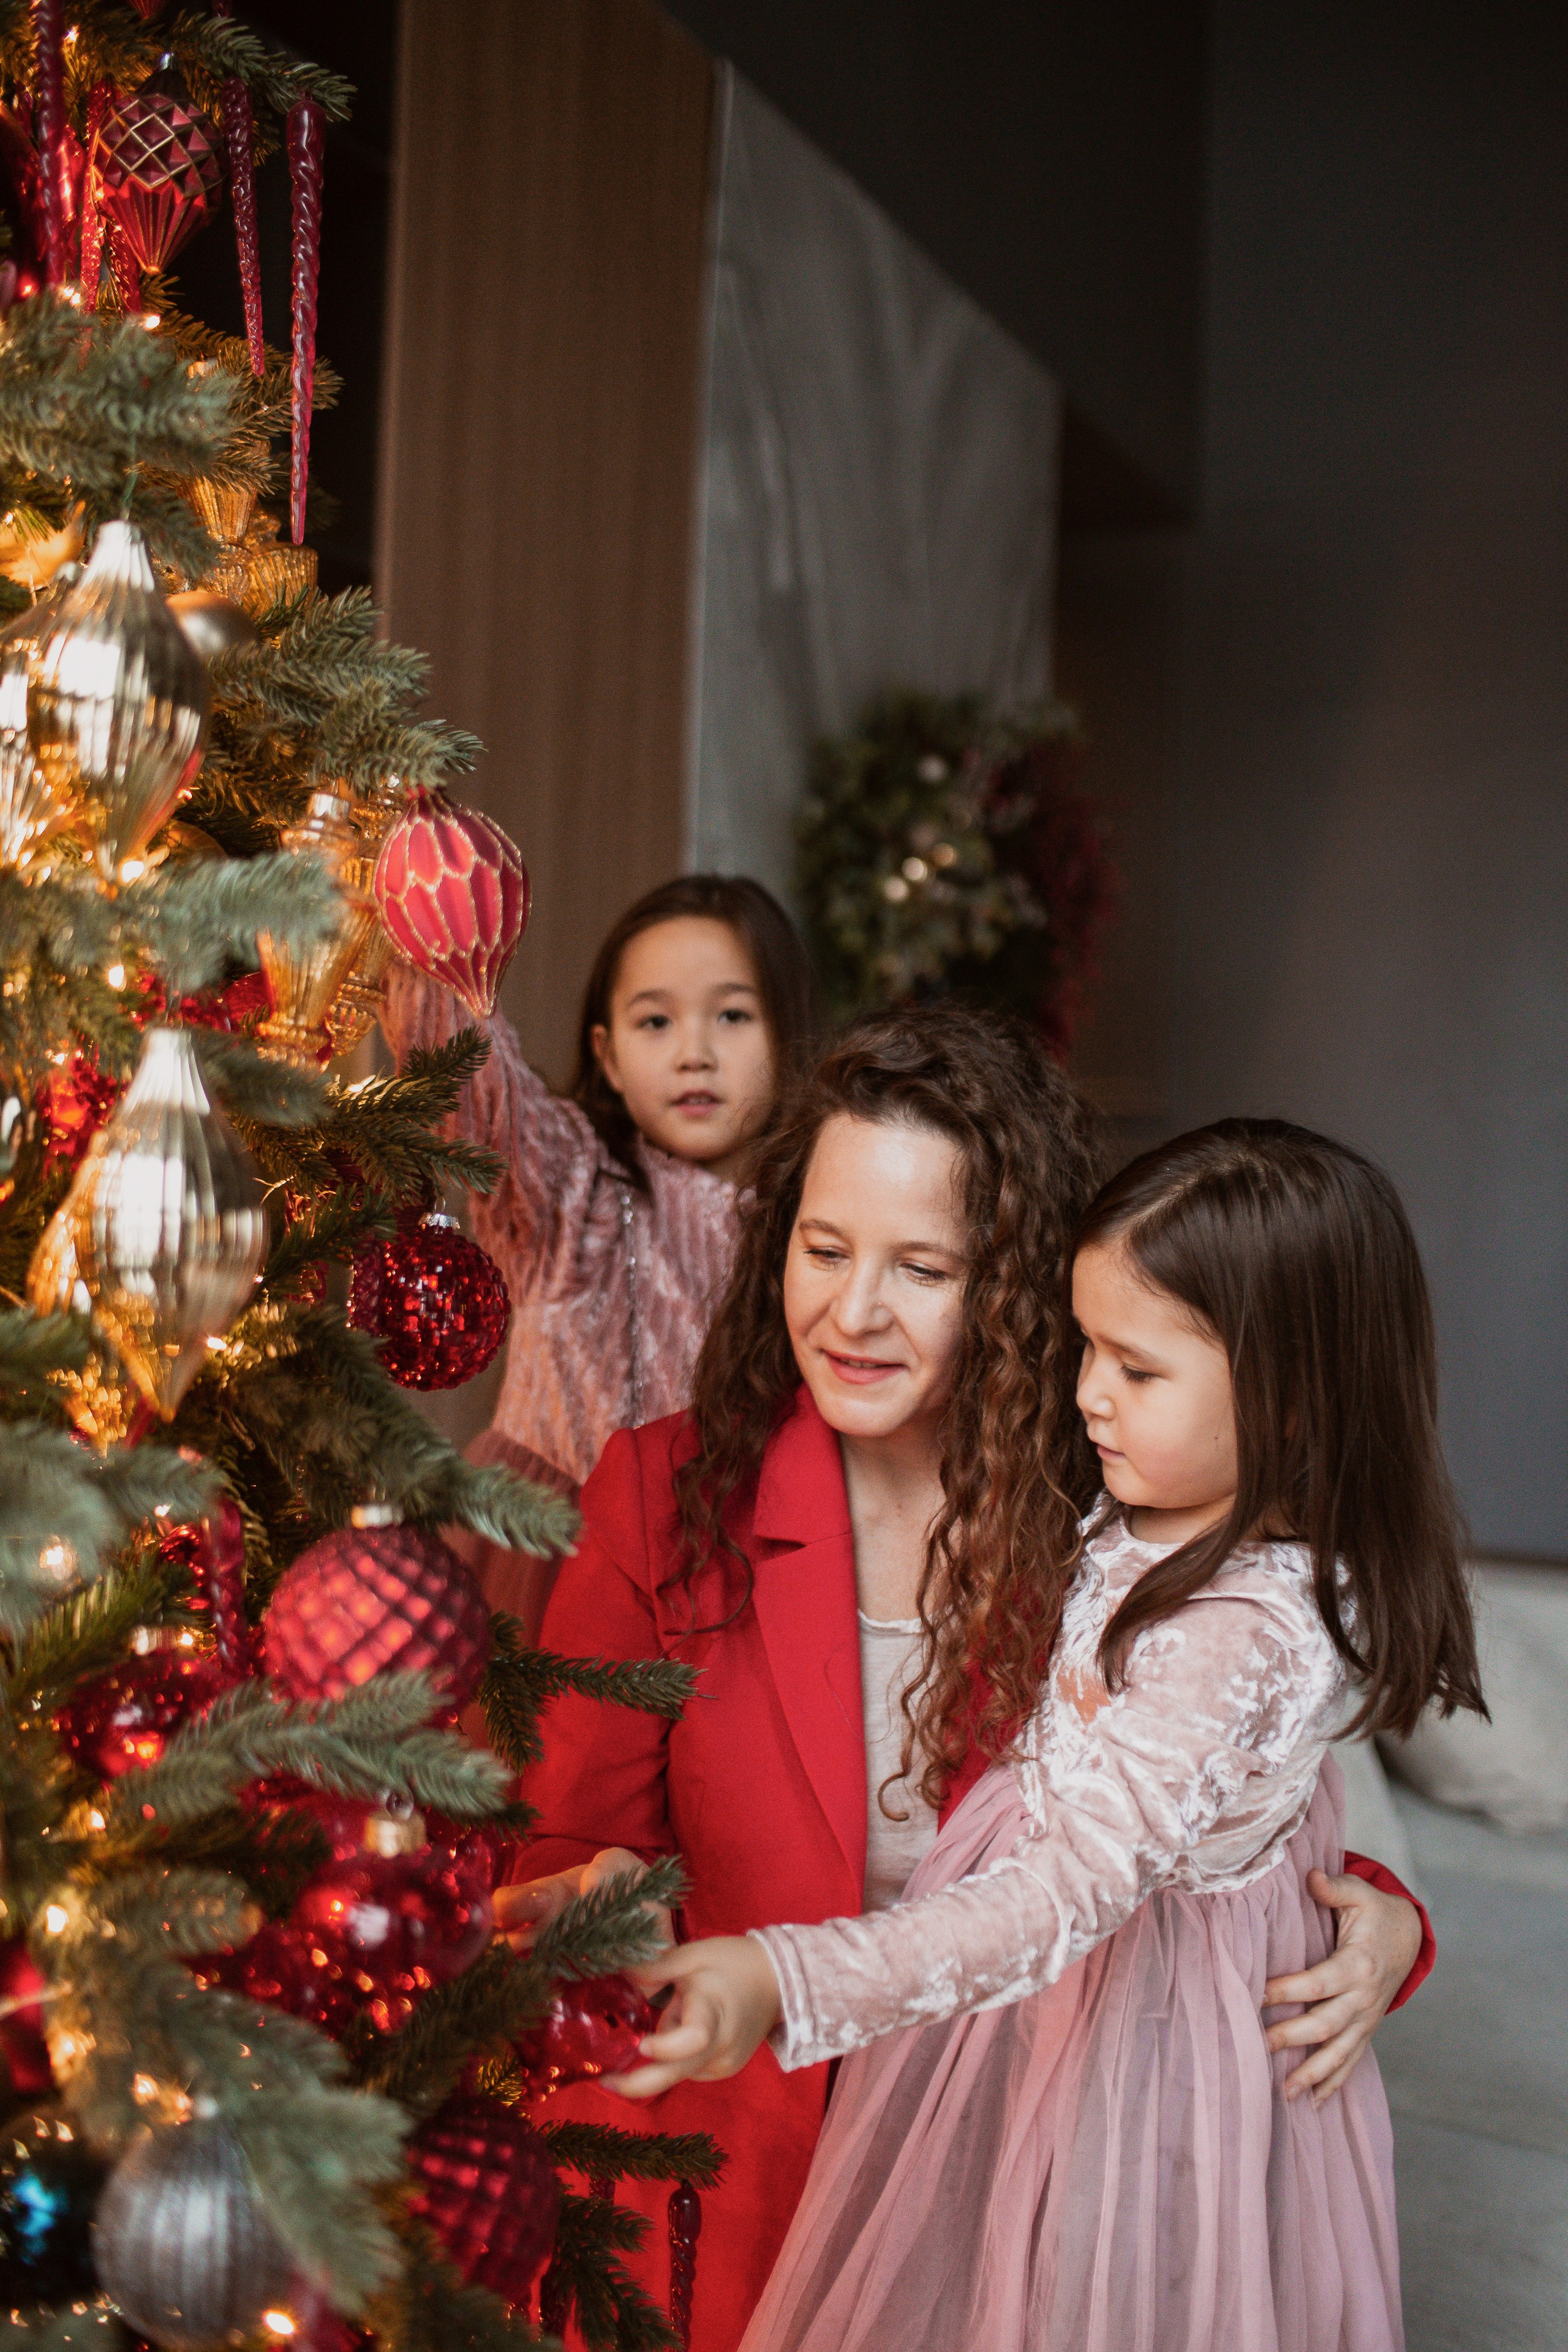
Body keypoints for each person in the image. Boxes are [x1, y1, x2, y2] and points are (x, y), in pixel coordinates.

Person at [502, 1044, 1436, 2352]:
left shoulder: (1126, 1493)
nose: (853, 1313)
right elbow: (560, 1837)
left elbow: (1234, 1792)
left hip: (1019, 2152)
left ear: (1014, 1287)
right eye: (823, 1250)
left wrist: (1386, 1929)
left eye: (924, 1270)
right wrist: (591, 1893)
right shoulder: (667, 1493)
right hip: (740, 2124)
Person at [380, 873, 818, 1629]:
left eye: (733, 1015)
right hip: (544, 1556)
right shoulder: (568, 1182)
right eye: (655, 1022)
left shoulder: (817, 1227)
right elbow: (474, 1082)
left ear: (789, 1036)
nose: (694, 1054)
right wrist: (427, 899)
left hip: (729, 1582)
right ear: (607, 1057)